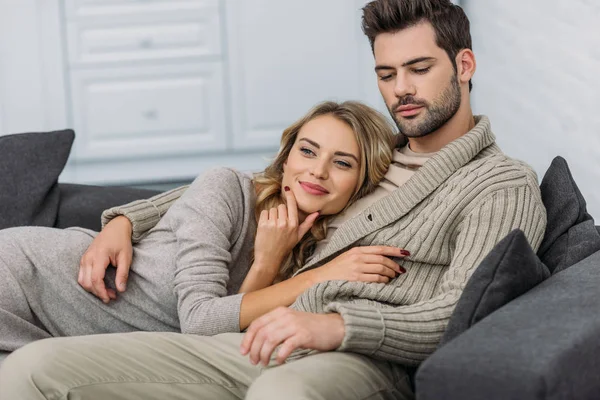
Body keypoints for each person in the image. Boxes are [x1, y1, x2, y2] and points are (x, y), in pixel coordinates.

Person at [0, 0, 548, 399]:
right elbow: (252, 184)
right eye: (386, 73)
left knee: (282, 397)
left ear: (465, 66)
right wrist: (124, 217)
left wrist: (335, 326)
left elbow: (462, 309)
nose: (401, 88)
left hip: (357, 352)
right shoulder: (370, 163)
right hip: (258, 336)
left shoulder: (500, 184)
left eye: (419, 69)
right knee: (31, 369)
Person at [0, 101, 398, 361]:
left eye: (342, 163)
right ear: (287, 155)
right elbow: (201, 322)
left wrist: (267, 264)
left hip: (60, 339)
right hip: (23, 278)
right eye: (307, 151)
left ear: (364, 181)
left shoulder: (321, 245)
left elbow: (218, 342)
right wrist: (320, 276)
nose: (317, 171)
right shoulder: (226, 189)